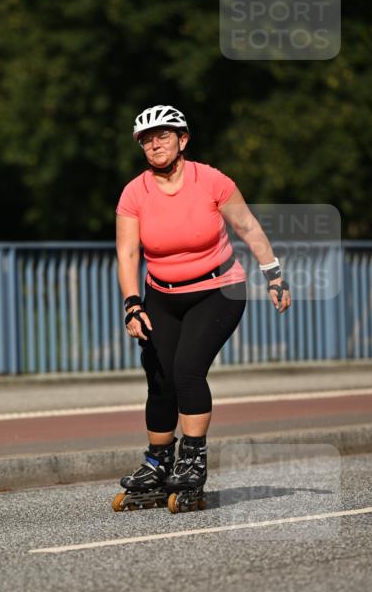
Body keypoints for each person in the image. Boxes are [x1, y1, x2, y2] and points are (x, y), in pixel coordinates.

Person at [115, 104, 291, 509]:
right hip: (161, 293)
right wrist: (132, 304)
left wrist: (274, 275)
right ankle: (158, 463)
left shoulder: (210, 180)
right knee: (159, 377)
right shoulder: (134, 193)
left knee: (187, 370)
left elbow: (247, 226)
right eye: (146, 139)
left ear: (183, 140)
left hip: (219, 290)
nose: (154, 144)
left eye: (163, 135)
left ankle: (192, 461)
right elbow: (127, 254)